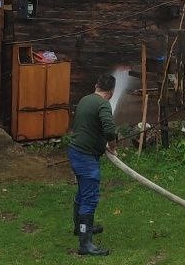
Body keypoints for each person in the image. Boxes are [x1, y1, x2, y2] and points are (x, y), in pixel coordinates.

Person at [68, 73, 117, 256]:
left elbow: (89, 126)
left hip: (75, 151)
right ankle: (85, 245)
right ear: (111, 92)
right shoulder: (103, 104)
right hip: (86, 158)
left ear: (96, 85)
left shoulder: (85, 99)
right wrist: (111, 145)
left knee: (82, 193)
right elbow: (110, 130)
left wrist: (99, 142)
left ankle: (79, 228)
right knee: (89, 198)